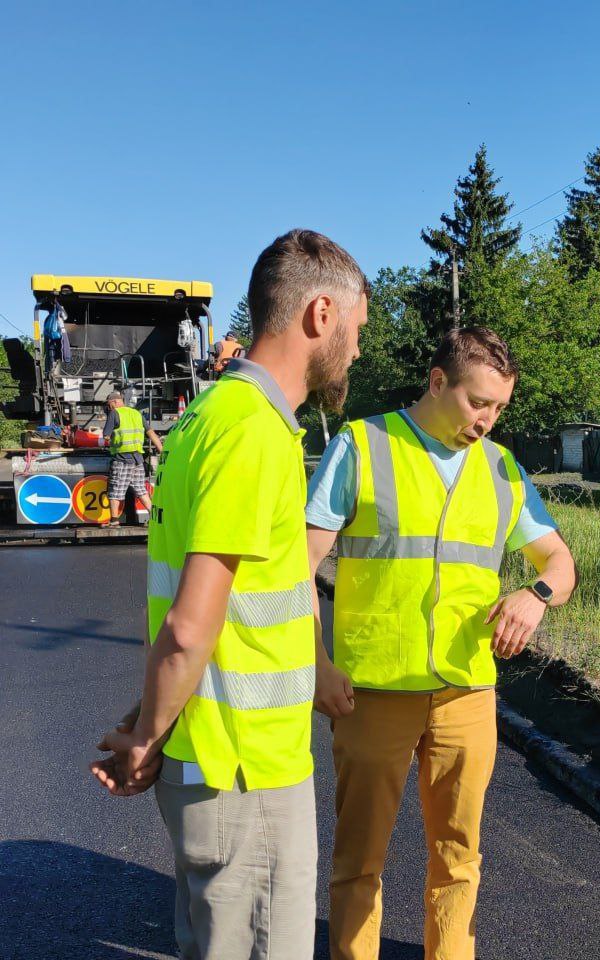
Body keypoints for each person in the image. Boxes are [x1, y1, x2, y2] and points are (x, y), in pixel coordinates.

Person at [90, 228, 369, 960]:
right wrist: (145, 737)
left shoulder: (205, 419)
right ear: (320, 315)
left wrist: (148, 721)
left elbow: (205, 615)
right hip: (246, 774)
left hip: (212, 758)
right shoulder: (253, 432)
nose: (360, 351)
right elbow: (190, 626)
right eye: (358, 326)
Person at [305, 325, 577, 960]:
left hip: (467, 692)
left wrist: (535, 596)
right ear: (437, 382)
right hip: (373, 690)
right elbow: (300, 562)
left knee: (460, 857)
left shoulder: (501, 468)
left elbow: (559, 562)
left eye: (499, 407)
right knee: (359, 859)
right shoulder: (365, 445)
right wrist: (315, 662)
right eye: (477, 402)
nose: (487, 420)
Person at [100, 391, 165, 526]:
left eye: (109, 405)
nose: (109, 408)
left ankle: (114, 521)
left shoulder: (114, 413)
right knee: (141, 489)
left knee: (115, 490)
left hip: (122, 459)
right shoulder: (136, 413)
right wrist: (161, 451)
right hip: (138, 459)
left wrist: (105, 440)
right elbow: (151, 433)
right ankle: (154, 519)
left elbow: (106, 436)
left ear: (115, 402)